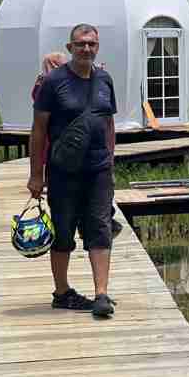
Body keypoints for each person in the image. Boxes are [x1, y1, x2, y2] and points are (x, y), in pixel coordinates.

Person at [28, 25, 118, 319]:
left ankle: (101, 294)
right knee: (63, 229)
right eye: (81, 44)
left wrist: (110, 161)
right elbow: (38, 129)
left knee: (100, 227)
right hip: (64, 171)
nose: (86, 49)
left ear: (98, 47)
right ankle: (62, 292)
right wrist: (36, 174)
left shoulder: (105, 80)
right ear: (70, 48)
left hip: (98, 169)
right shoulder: (54, 82)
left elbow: (108, 124)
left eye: (91, 44)